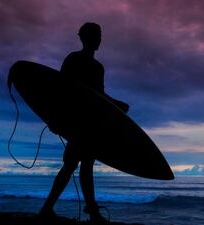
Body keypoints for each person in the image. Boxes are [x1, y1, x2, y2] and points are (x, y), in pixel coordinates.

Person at [39, 23, 129, 223]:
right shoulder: (74, 59)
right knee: (71, 165)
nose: (99, 39)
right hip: (78, 122)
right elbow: (60, 89)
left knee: (83, 166)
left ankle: (89, 210)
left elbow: (99, 95)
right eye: (96, 35)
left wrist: (116, 104)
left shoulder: (98, 67)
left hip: (90, 123)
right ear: (84, 38)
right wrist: (55, 119)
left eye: (100, 35)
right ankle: (51, 209)